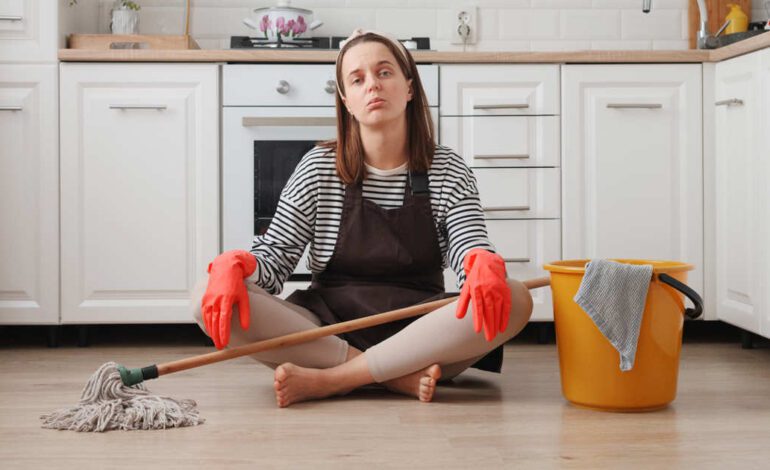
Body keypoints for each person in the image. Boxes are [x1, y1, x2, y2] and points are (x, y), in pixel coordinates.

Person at [192, 29, 534, 408]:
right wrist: (235, 265)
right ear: (346, 100)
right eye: (358, 79)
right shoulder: (319, 168)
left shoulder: (446, 169)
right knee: (202, 295)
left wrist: (482, 262)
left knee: (516, 298)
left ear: (408, 87)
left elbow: (471, 248)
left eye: (384, 72)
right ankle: (390, 376)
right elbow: (274, 263)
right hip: (327, 330)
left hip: (419, 332)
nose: (372, 85)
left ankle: (335, 380)